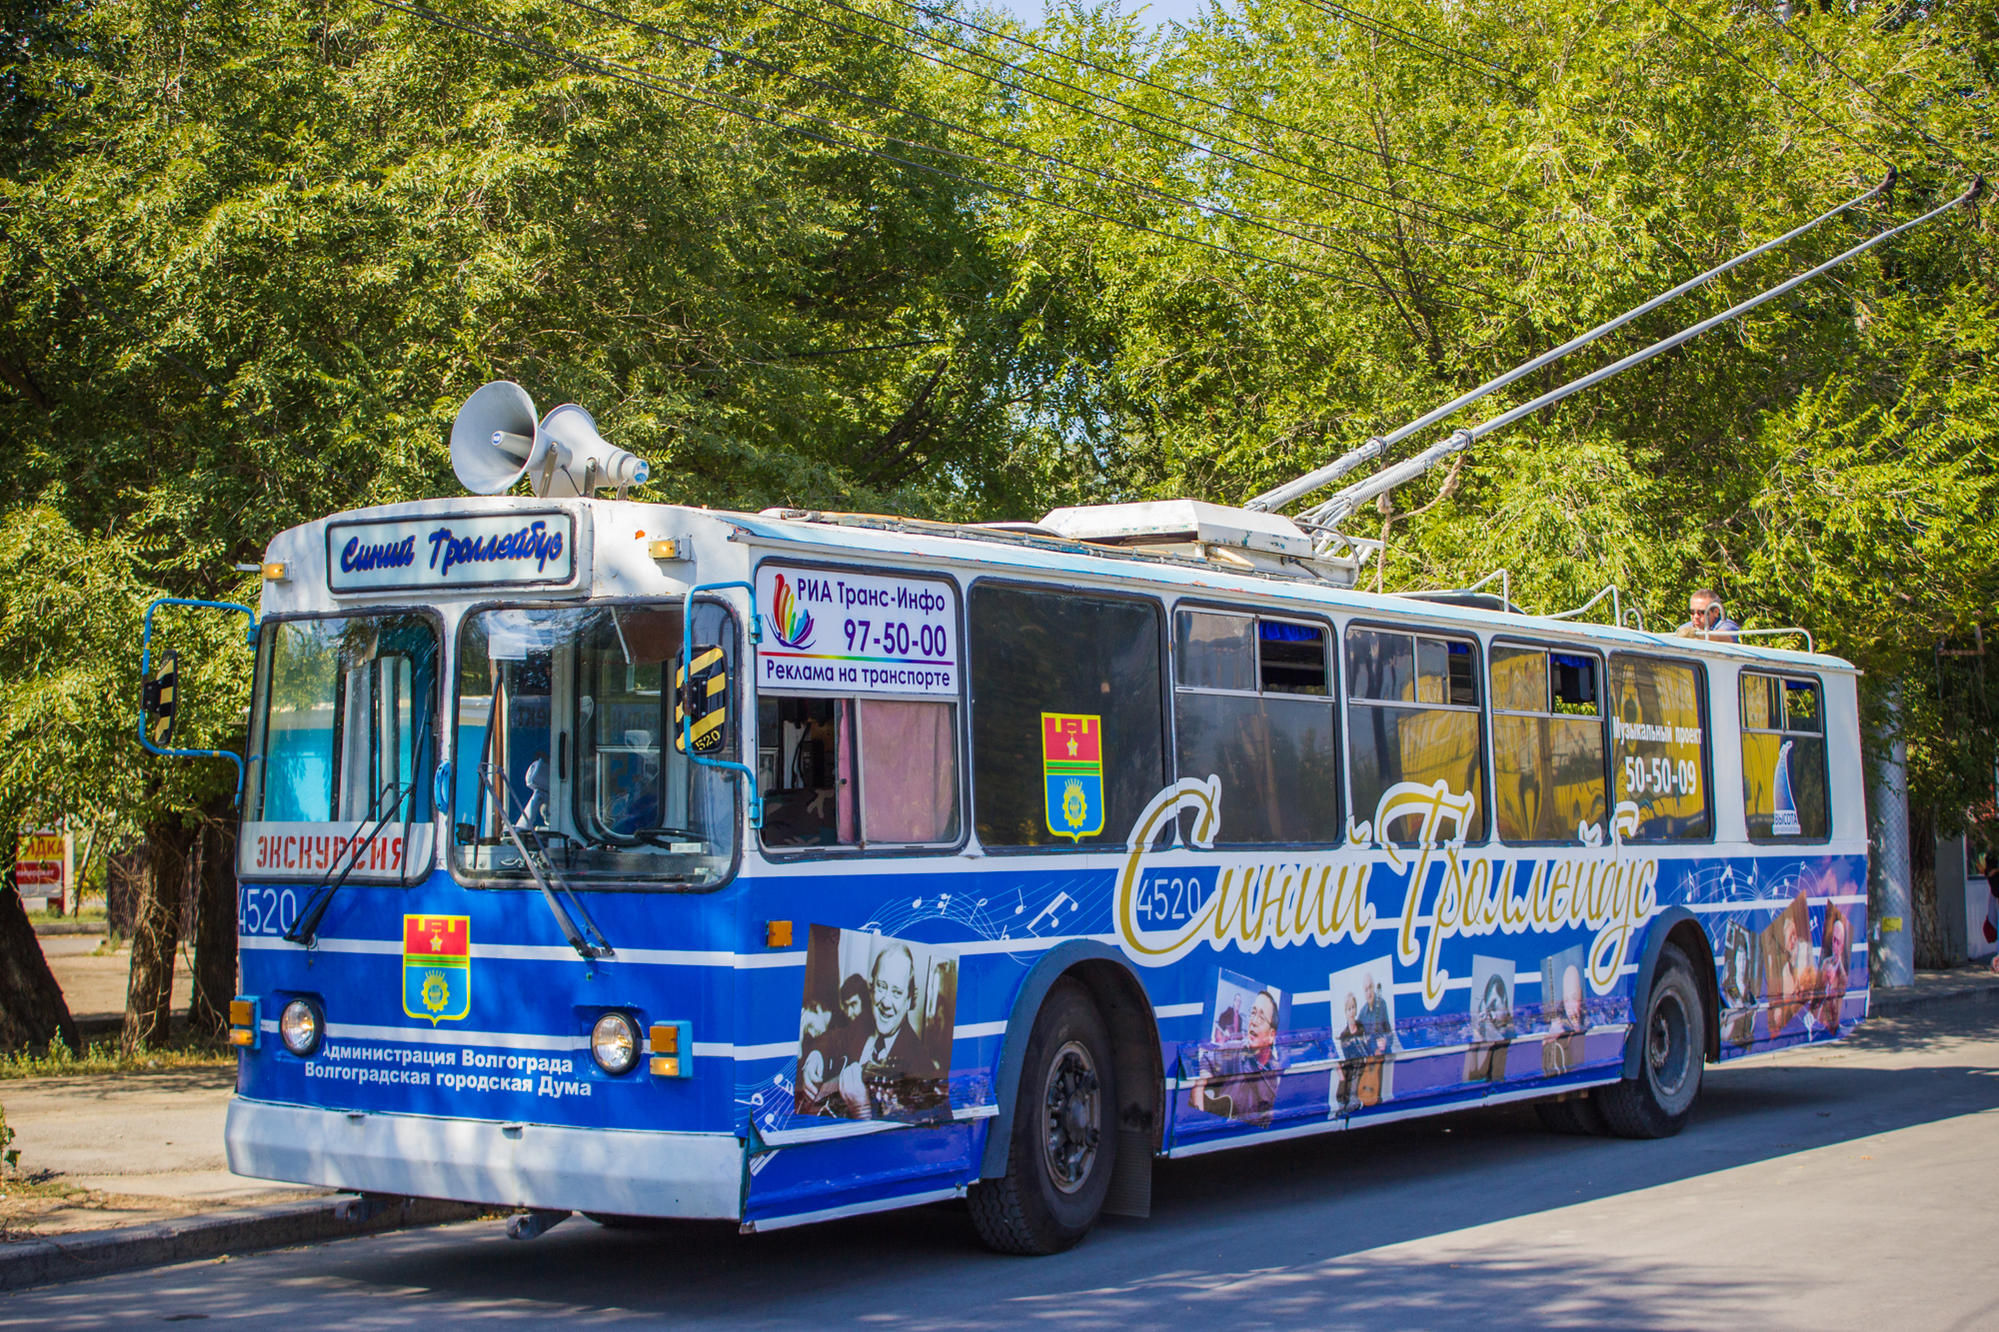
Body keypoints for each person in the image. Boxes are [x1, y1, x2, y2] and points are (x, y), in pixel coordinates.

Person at [833, 943, 946, 1121]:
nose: (886, 1002)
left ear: (909, 1000)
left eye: (897, 992)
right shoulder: (862, 1022)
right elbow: (834, 1037)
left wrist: (862, 1110)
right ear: (871, 988)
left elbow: (913, 1135)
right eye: (881, 986)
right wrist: (815, 1056)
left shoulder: (922, 1067)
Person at [1188, 989, 1281, 1126]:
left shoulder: (1275, 1077)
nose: (1253, 1022)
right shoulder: (1234, 1049)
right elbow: (1206, 1060)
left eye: (1261, 1018)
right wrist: (1200, 1091)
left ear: (1271, 1035)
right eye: (1253, 1013)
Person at [1542, 964, 1589, 1075]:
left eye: (1574, 998)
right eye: (1567, 1000)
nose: (1570, 1008)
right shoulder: (1559, 1034)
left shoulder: (1590, 1028)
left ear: (1581, 995)